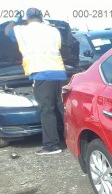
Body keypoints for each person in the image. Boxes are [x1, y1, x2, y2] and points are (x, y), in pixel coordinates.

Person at [4, 8, 67, 155]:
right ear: (41, 17)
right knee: (61, 109)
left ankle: (51, 146)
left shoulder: (22, 30)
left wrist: (15, 20)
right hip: (59, 73)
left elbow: (7, 31)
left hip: (41, 74)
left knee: (47, 110)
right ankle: (68, 139)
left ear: (27, 18)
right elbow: (59, 46)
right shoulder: (53, 30)